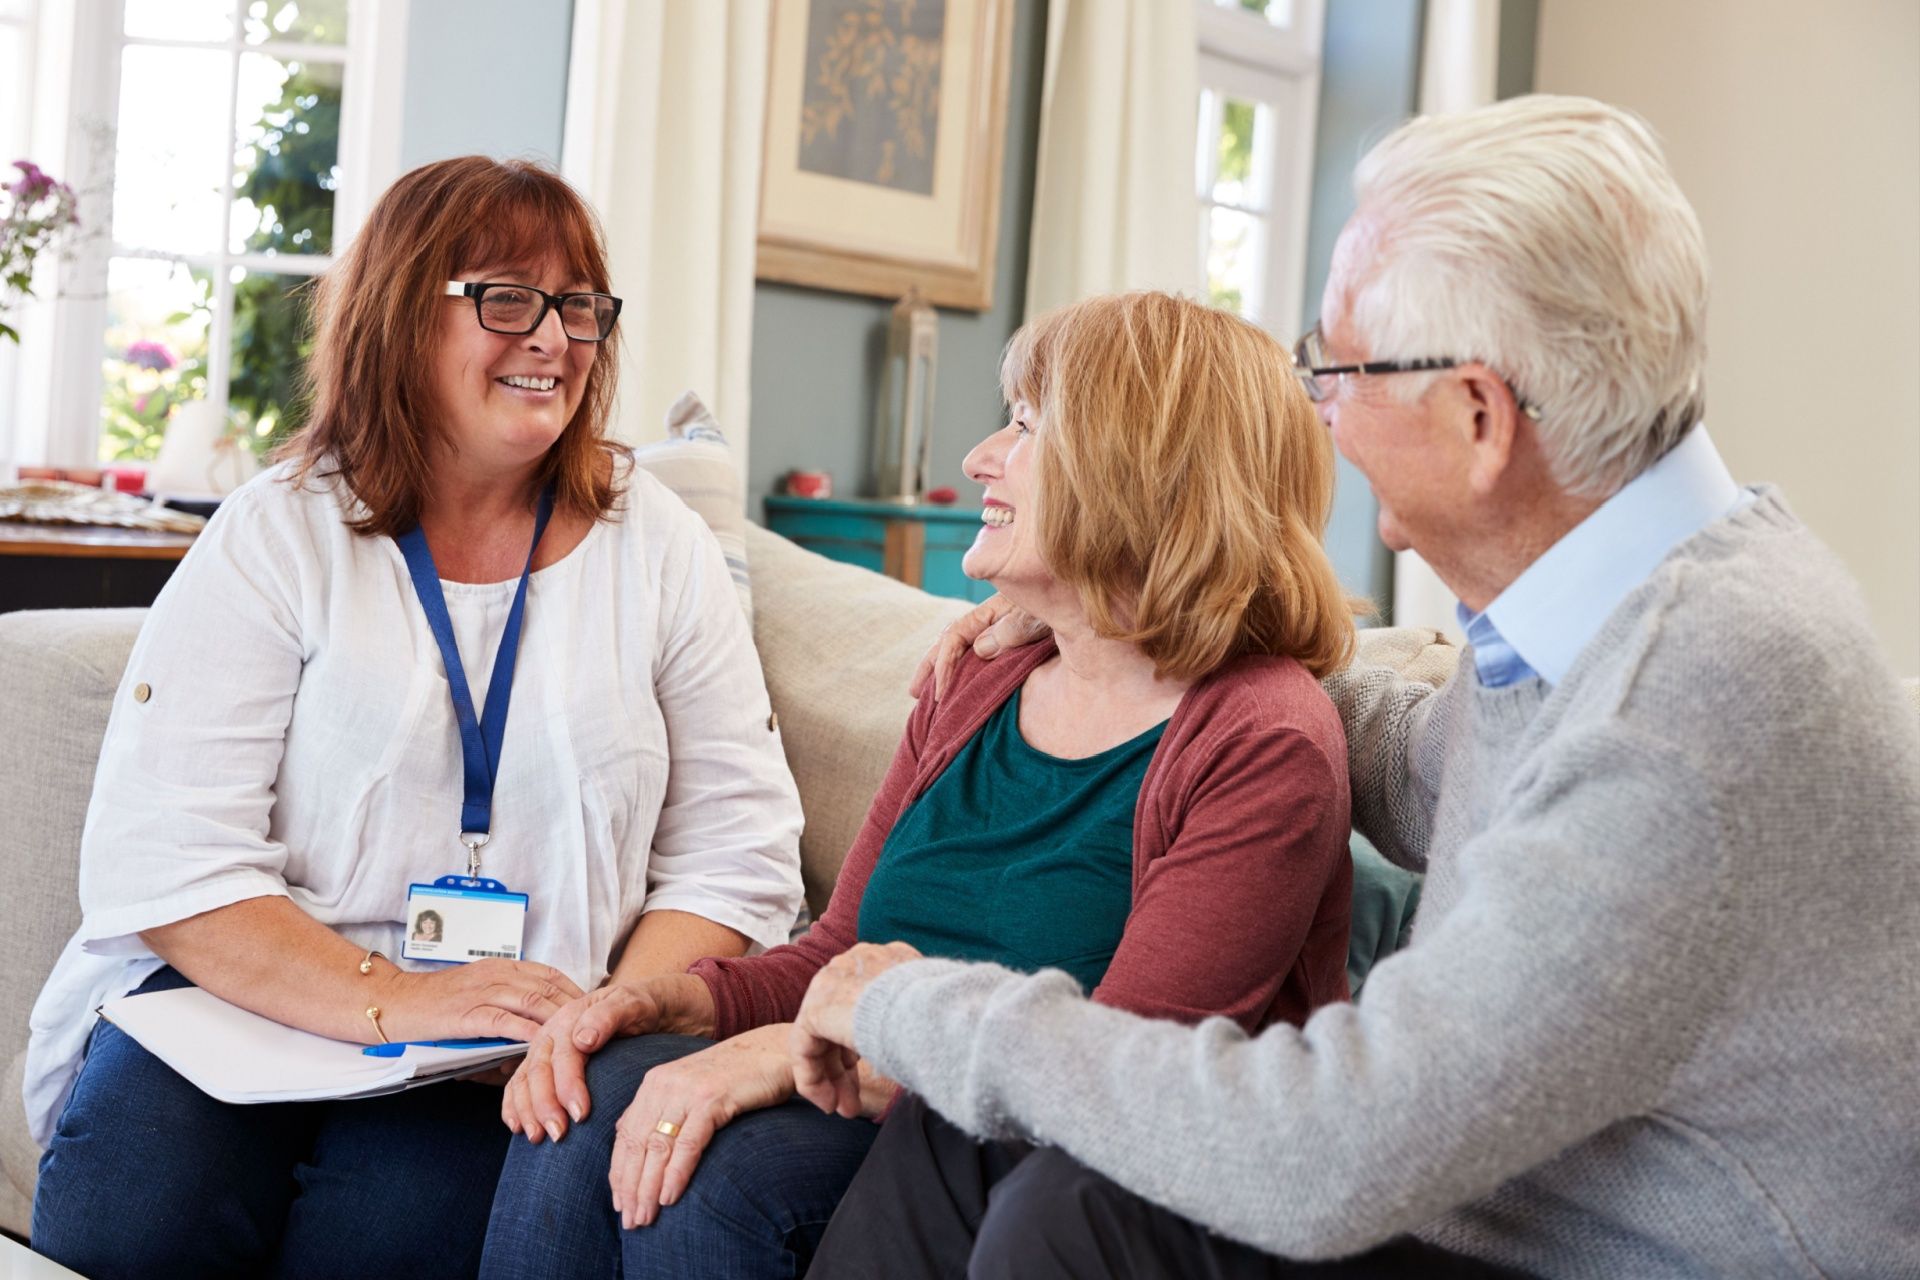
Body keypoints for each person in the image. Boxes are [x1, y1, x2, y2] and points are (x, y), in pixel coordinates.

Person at [788, 94, 1920, 1280]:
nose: (1319, 415)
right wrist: (1126, 620)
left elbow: (1332, 1153)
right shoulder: (1608, 618)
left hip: (1623, 1257)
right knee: (971, 1145)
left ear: (1478, 415)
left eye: (1336, 368)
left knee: (1068, 1207)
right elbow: (1425, 769)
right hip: (1491, 1224)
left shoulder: (1694, 704)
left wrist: (921, 1007)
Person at [26, 156, 805, 1280]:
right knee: (131, 1215)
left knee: (386, 1240)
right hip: (244, 1007)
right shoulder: (279, 532)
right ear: (400, 317)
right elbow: (173, 856)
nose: (552, 337)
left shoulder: (659, 545)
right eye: (505, 298)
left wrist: (601, 1017)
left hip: (505, 1049)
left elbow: (735, 854)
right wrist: (399, 999)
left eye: (577, 305)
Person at [477, 291, 1360, 1279]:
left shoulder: (1261, 735)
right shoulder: (980, 677)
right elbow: (832, 949)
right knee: (591, 1094)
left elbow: (1118, 1074)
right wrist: (654, 1001)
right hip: (892, 1097)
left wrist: (785, 1048)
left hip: (1063, 1167)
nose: (981, 457)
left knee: (731, 1180)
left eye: (1026, 426)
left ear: (1142, 470)